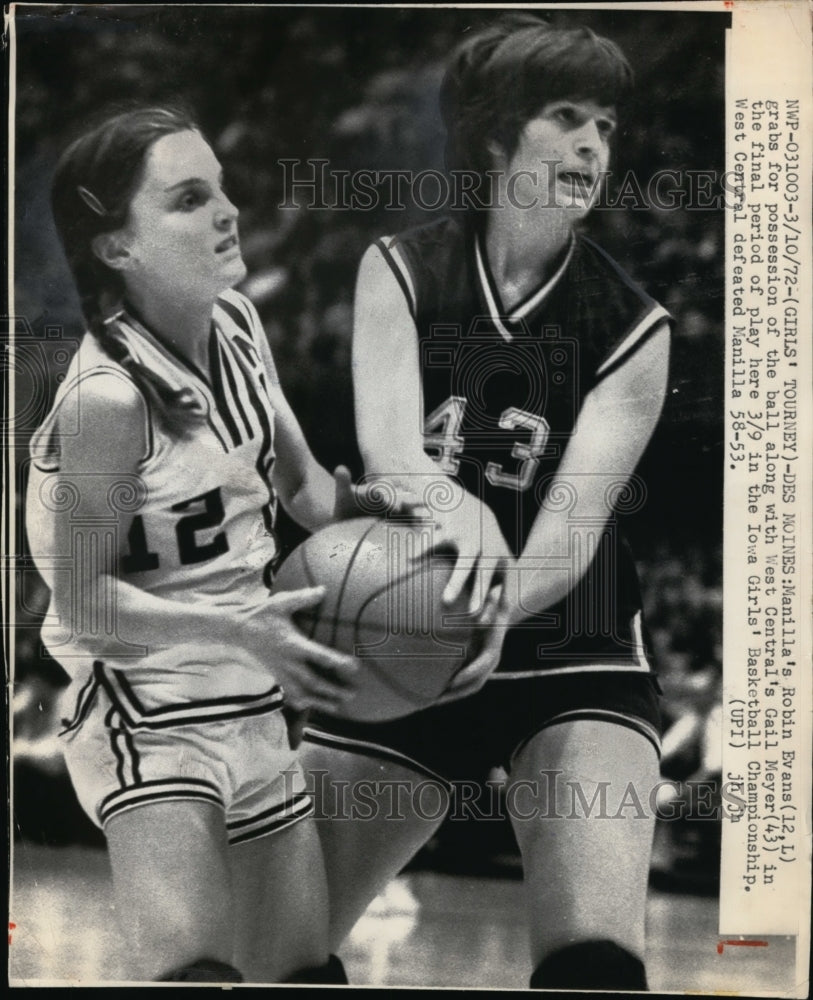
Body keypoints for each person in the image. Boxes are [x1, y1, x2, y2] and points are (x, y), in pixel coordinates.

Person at [302, 14, 671, 991]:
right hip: (404, 626)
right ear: (500, 132)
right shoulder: (401, 267)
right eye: (566, 116)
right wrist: (451, 513)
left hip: (570, 643)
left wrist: (491, 606)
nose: (596, 142)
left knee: (593, 960)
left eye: (606, 123)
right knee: (274, 949)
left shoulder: (634, 327)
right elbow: (389, 452)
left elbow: (570, 536)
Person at [25, 105, 360, 985]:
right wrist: (243, 627)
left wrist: (423, 522)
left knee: (305, 980)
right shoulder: (108, 398)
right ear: (115, 248)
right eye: (187, 199)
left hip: (252, 703)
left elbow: (307, 490)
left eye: (220, 189)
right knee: (197, 980)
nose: (228, 212)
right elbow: (85, 604)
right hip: (147, 712)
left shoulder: (239, 325)